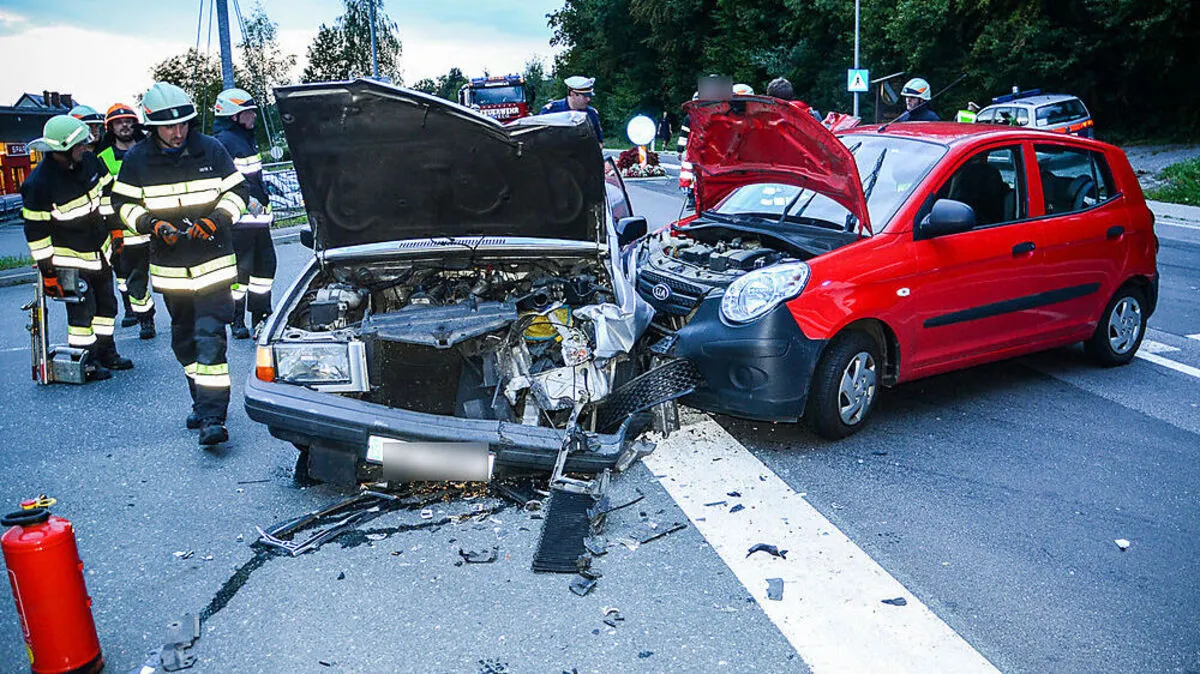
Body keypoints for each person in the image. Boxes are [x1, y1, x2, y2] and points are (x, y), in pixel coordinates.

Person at [111, 82, 248, 446]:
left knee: (210, 339)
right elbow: (122, 204)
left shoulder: (212, 149)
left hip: (214, 266)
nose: (178, 132)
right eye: (169, 127)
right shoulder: (137, 159)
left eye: (183, 124)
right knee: (184, 342)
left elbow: (239, 192)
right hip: (172, 273)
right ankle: (201, 401)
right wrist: (150, 224)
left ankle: (213, 417)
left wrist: (216, 220)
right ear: (152, 127)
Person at [22, 115, 133, 381]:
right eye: (80, 144)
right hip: (68, 261)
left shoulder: (91, 162)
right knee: (82, 315)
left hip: (99, 253)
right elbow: (37, 234)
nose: (85, 147)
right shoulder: (38, 184)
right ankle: (86, 362)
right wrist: (49, 273)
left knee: (107, 306)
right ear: (63, 148)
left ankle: (107, 353)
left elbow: (108, 196)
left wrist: (116, 230)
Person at [212, 88, 276, 340]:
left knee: (265, 268)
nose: (254, 116)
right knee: (240, 273)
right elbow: (225, 181)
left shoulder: (245, 139)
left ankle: (260, 315)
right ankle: (236, 319)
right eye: (248, 111)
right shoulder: (224, 142)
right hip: (238, 223)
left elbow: (255, 179)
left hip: (258, 222)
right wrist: (248, 201)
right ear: (234, 115)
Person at [96, 103, 155, 338]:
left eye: (129, 121)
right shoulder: (103, 159)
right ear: (110, 128)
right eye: (119, 122)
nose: (125, 125)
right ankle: (145, 319)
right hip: (128, 232)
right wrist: (114, 229)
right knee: (135, 280)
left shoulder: (150, 150)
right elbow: (104, 200)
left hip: (159, 225)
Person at [539, 76, 603, 145]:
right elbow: (539, 139)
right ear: (572, 94)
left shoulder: (591, 113)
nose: (588, 99)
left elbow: (599, 142)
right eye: (585, 96)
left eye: (589, 96)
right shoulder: (551, 111)